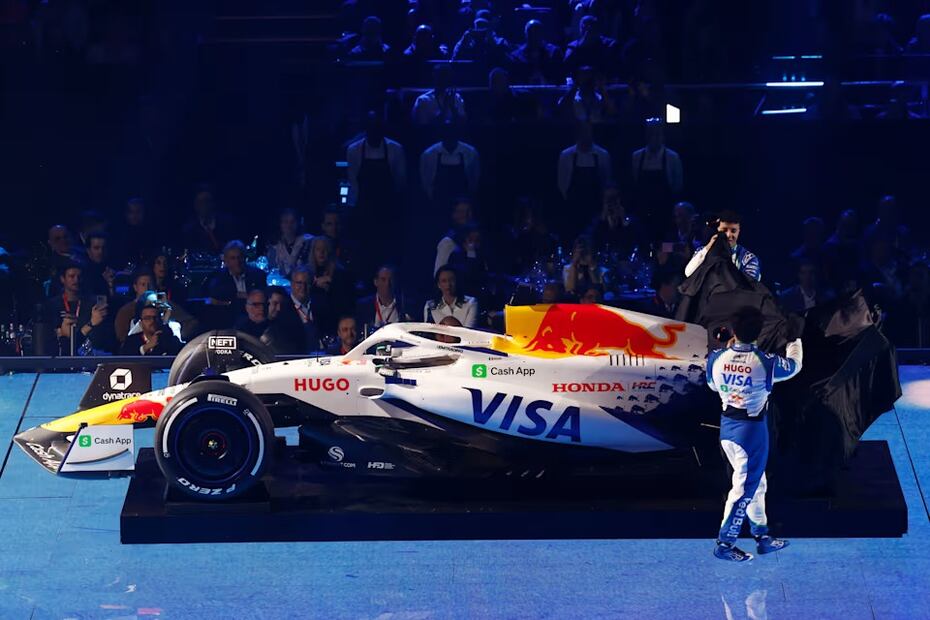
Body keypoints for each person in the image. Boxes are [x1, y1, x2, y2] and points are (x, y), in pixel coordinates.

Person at [707, 306, 802, 562]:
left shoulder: (715, 358)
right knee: (743, 490)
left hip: (727, 428)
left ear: (733, 329)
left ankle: (762, 537)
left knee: (757, 484)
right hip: (751, 435)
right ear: (759, 331)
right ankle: (724, 544)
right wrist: (794, 340)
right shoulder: (766, 362)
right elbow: (794, 366)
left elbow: (713, 385)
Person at [40, 262, 114, 355]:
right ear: (63, 279)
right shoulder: (52, 305)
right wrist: (90, 325)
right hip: (62, 355)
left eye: (79, 276)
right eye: (72, 276)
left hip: (89, 355)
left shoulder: (92, 304)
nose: (76, 280)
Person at [557, 122, 612, 226]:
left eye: (587, 131)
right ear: (577, 133)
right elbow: (562, 183)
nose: (585, 135)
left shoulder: (603, 155)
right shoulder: (566, 155)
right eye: (582, 131)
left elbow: (607, 182)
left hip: (596, 209)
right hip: (573, 209)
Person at [631, 117, 683, 225]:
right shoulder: (637, 156)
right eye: (651, 134)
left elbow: (677, 185)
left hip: (665, 210)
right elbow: (635, 180)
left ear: (663, 135)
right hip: (643, 209)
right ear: (646, 136)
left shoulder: (672, 157)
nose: (654, 137)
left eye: (657, 134)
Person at [685, 211, 761, 282]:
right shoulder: (703, 251)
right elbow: (688, 273)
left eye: (733, 231)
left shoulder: (748, 258)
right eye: (724, 230)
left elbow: (750, 284)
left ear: (739, 232)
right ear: (717, 230)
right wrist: (708, 248)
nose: (728, 235)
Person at [419, 122, 480, 204]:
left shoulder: (470, 152)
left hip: (463, 199)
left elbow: (475, 176)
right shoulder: (429, 154)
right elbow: (425, 178)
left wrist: (470, 195)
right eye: (447, 135)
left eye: (452, 135)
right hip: (438, 198)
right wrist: (430, 195)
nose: (450, 139)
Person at [207, 240, 267, 308]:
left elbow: (262, 295)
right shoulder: (218, 276)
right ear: (226, 260)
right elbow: (216, 295)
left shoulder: (258, 274)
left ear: (245, 258)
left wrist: (232, 297)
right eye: (233, 258)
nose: (237, 261)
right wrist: (243, 295)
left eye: (240, 257)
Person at [181, 184, 238, 253]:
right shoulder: (189, 230)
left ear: (213, 203)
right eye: (200, 202)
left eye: (206, 201)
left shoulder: (228, 223)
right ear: (195, 205)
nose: (204, 206)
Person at [588, 183, 638, 257]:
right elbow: (592, 243)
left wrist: (624, 221)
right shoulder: (596, 221)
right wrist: (602, 220)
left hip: (624, 260)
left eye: (614, 198)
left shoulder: (630, 221)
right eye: (608, 199)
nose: (612, 203)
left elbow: (635, 243)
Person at [355, 265, 408, 332]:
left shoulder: (404, 305)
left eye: (391, 280)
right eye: (383, 280)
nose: (387, 284)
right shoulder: (364, 306)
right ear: (376, 282)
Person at [508, 19, 561, 85]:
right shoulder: (517, 56)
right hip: (523, 90)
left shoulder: (554, 53)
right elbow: (514, 80)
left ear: (542, 33)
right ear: (526, 34)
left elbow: (559, 77)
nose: (533, 36)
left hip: (550, 90)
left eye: (536, 32)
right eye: (531, 32)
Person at [266, 208, 313, 278]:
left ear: (298, 223)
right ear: (281, 224)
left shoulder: (309, 241)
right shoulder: (274, 245)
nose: (289, 226)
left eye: (292, 222)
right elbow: (271, 268)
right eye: (285, 222)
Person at [264, 286, 310, 354]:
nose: (278, 309)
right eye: (275, 303)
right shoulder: (253, 326)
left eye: (281, 304)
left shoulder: (287, 328)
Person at [434, 197, 474, 275]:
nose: (465, 215)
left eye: (468, 211)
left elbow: (473, 264)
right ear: (453, 214)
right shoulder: (448, 240)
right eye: (461, 211)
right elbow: (439, 272)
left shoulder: (473, 237)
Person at [115, 270, 155, 344]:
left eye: (150, 284)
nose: (147, 288)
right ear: (135, 287)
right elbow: (122, 337)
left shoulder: (162, 306)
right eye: (143, 284)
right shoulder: (126, 311)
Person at [289, 266, 321, 350]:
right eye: (299, 283)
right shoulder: (283, 307)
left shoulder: (320, 305)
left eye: (307, 283)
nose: (303, 287)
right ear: (292, 284)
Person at [81, 232, 116, 299]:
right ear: (88, 250)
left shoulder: (113, 269)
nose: (100, 252)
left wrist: (111, 285)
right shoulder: (81, 272)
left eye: (104, 248)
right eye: (96, 248)